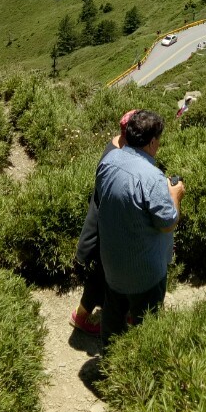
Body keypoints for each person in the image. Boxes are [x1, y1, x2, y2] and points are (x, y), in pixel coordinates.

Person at [94, 109, 184, 348]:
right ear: (153, 142)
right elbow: (167, 223)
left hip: (112, 264)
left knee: (113, 317)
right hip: (145, 273)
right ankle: (143, 367)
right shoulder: (152, 177)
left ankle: (109, 361)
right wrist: (175, 195)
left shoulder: (108, 161)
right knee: (148, 328)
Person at [69, 110, 135, 336]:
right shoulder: (117, 157)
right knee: (101, 276)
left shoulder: (114, 146)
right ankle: (81, 317)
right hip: (105, 228)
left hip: (103, 225)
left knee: (105, 273)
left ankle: (117, 311)